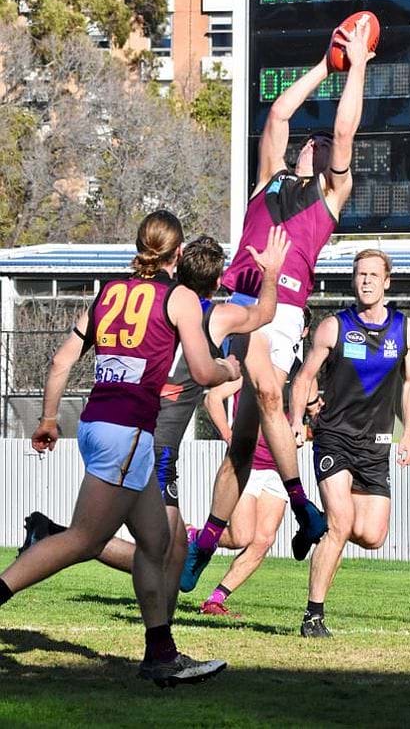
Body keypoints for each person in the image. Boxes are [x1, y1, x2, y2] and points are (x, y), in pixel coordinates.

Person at [0, 212, 245, 686]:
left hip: (98, 426)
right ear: (178, 255)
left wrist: (49, 419)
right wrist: (230, 370)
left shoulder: (108, 292)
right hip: (128, 432)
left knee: (159, 543)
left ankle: (161, 654)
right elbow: (200, 370)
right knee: (84, 539)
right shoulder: (180, 298)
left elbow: (60, 361)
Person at [182, 15, 376, 590]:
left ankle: (215, 540)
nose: (314, 143)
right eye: (309, 143)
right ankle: (296, 510)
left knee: (251, 425)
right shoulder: (267, 180)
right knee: (255, 416)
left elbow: (343, 134)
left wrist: (358, 66)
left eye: (321, 145)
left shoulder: (329, 197)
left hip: (281, 311)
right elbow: (279, 116)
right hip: (238, 300)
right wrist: (325, 63)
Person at [16, 232, 290, 622]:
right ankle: (49, 539)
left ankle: (162, 645)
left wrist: (49, 417)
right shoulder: (202, 313)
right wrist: (272, 273)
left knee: (170, 548)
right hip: (145, 442)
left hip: (117, 427)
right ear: (216, 281)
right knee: (112, 542)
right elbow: (262, 316)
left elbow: (68, 361)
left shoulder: (152, 302)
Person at [288, 250, 410, 638]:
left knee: (372, 535)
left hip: (378, 442)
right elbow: (303, 377)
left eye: (373, 275)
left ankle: (316, 525)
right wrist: (298, 420)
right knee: (342, 525)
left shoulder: (405, 329)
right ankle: (313, 616)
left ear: (387, 282)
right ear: (354, 279)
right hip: (335, 438)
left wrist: (407, 433)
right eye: (360, 274)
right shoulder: (333, 327)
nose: (366, 281)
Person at [198, 309, 313, 616]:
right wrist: (229, 436)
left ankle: (216, 600)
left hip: (279, 470)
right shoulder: (263, 365)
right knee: (240, 537)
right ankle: (193, 537)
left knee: (263, 540)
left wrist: (303, 431)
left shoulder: (303, 374)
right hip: (249, 464)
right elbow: (213, 398)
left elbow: (310, 416)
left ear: (302, 333)